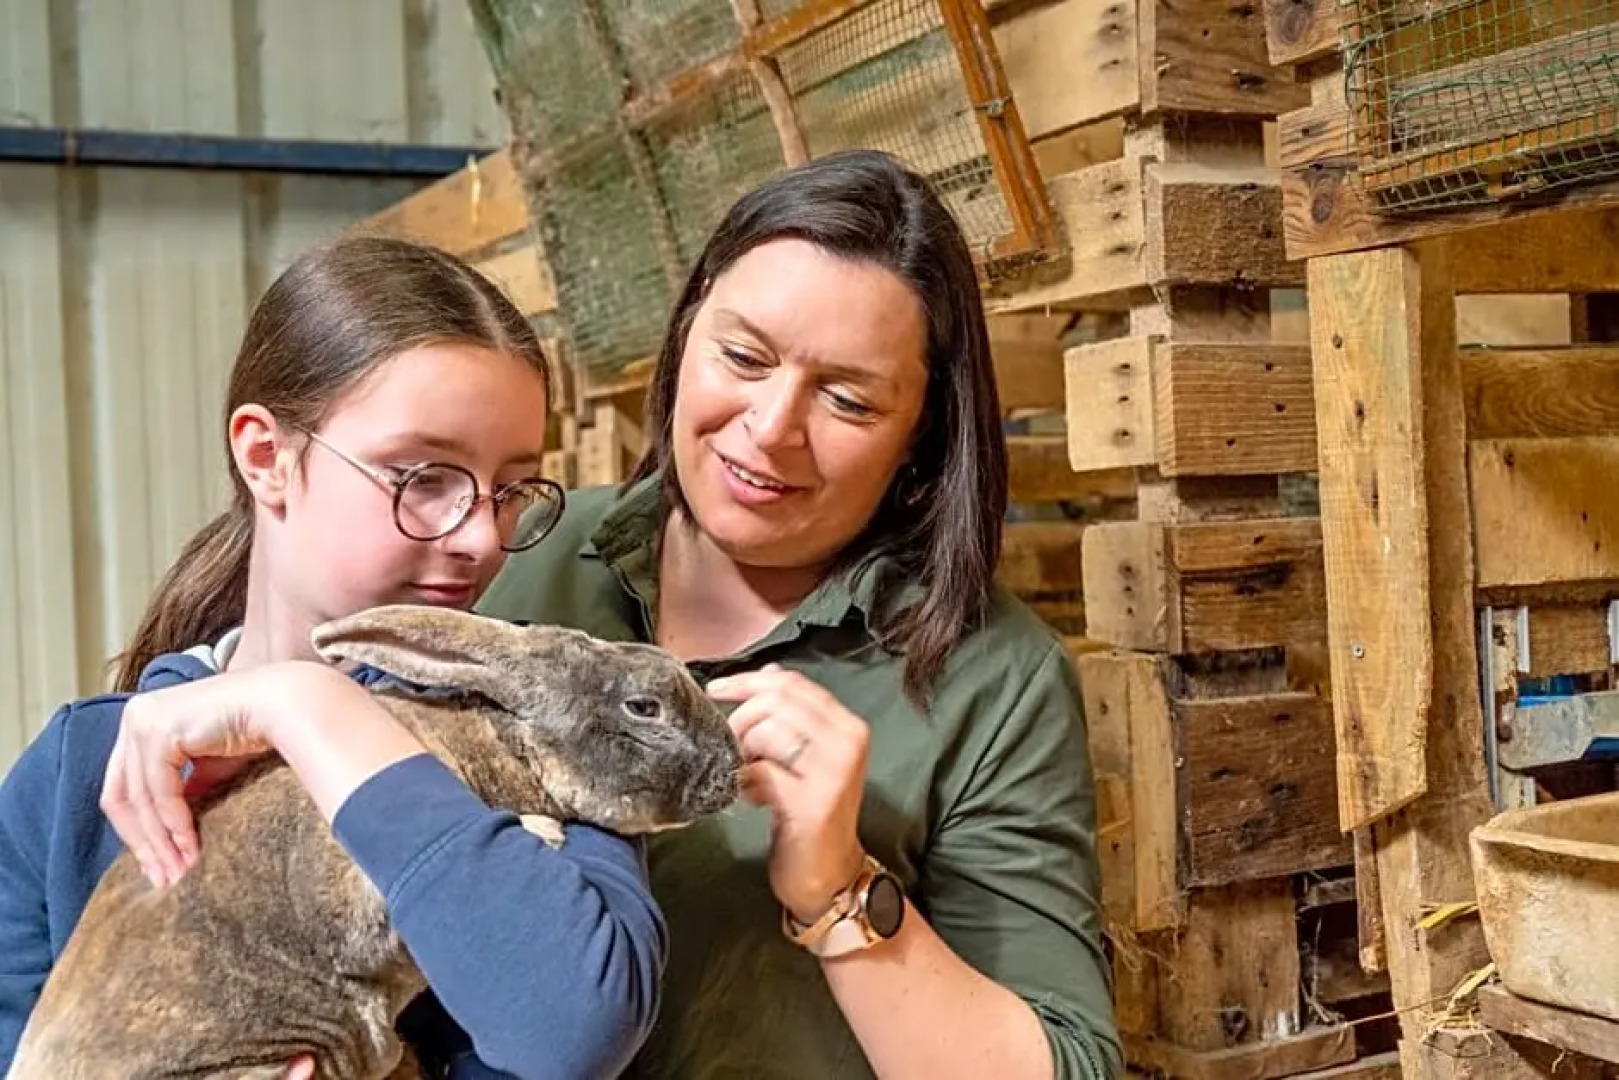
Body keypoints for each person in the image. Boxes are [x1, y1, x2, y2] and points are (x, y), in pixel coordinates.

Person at [475, 149, 1123, 1078]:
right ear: (687, 326)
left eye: (848, 400)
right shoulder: (520, 555)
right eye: (743, 357)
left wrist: (837, 888)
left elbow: (1070, 1064)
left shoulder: (992, 679)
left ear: (921, 436)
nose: (772, 426)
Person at [0, 235, 666, 1079]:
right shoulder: (78, 775)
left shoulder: (545, 743)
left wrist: (308, 706)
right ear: (266, 457)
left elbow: (572, 1029)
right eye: (423, 476)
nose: (480, 537)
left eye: (508, 490)